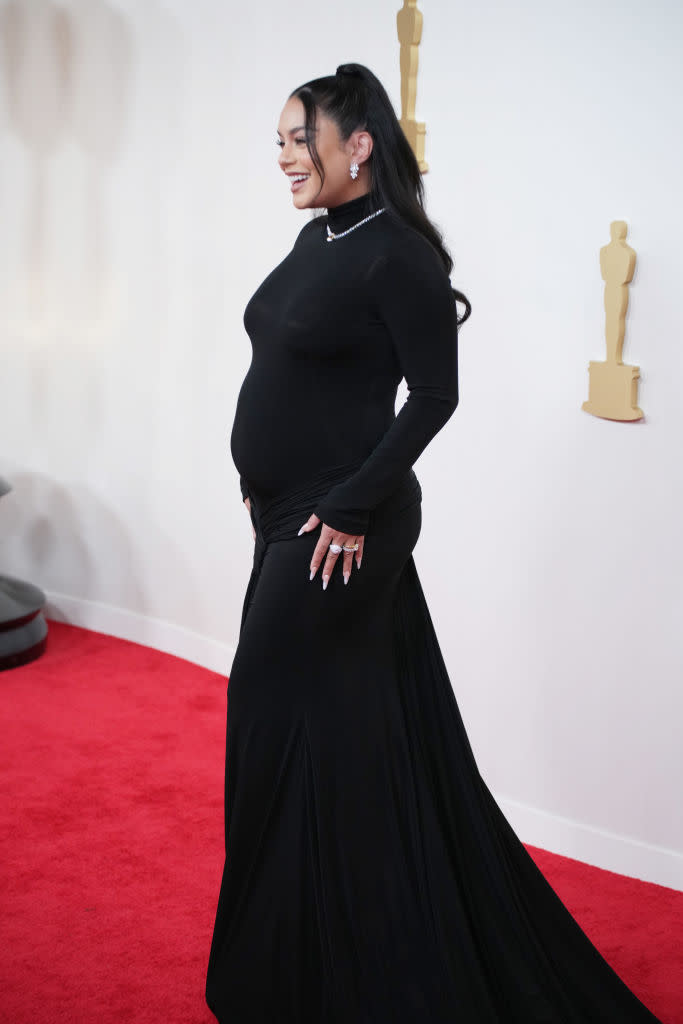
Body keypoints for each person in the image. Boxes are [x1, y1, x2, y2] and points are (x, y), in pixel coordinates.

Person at [205, 63, 662, 1023]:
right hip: (287, 508)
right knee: (336, 731)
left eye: (299, 139)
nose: (284, 158)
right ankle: (315, 961)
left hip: (340, 522)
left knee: (273, 714)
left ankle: (319, 964)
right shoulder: (316, 235)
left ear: (356, 144)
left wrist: (354, 505)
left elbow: (436, 397)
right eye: (280, 143)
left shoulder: (397, 256)